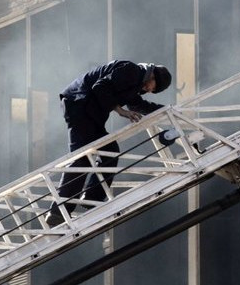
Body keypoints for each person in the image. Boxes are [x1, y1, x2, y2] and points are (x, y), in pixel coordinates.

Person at [46, 60, 172, 226]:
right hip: (79, 104)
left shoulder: (135, 83)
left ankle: (92, 198)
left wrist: (167, 111)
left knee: (110, 151)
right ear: (152, 75)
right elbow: (100, 86)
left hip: (90, 112)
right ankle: (58, 211)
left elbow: (138, 104)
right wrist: (121, 111)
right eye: (152, 87)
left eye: (152, 91)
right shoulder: (131, 71)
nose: (148, 91)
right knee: (82, 158)